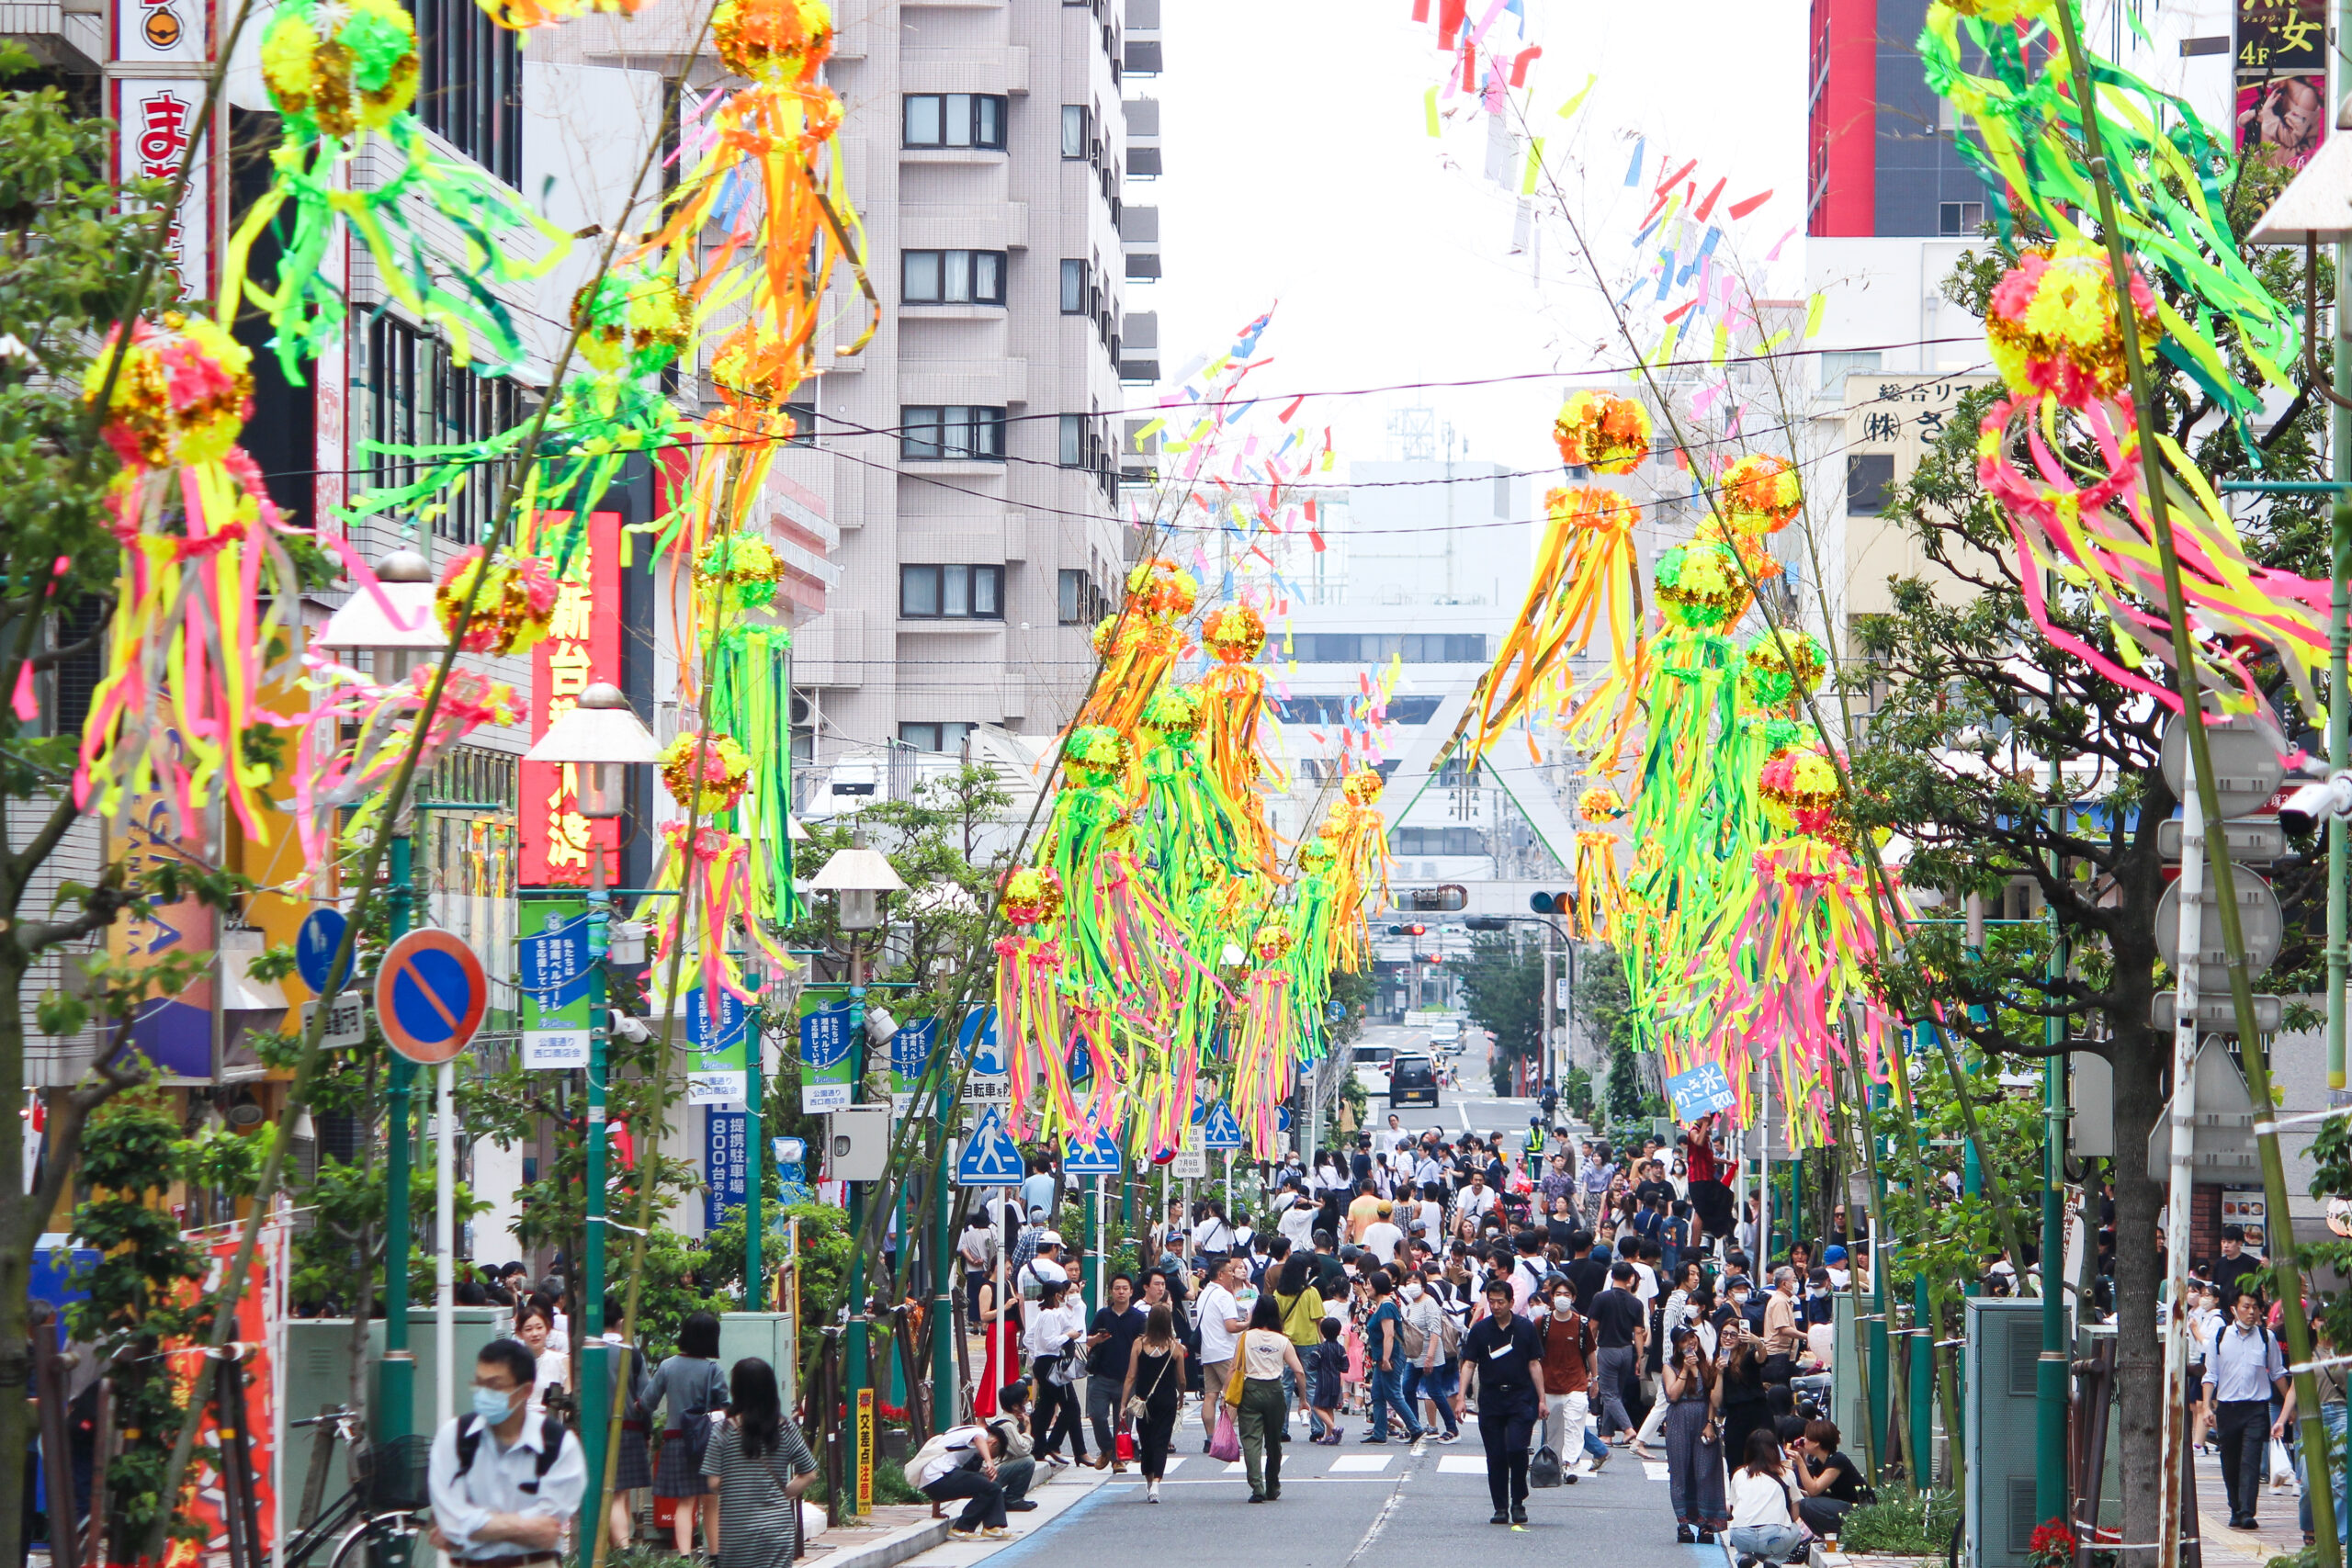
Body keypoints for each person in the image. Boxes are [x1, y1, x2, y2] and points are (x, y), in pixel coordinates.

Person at [427, 1339, 584, 1567]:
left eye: (495, 1386)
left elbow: (548, 1528)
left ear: (526, 1390)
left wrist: (470, 1526)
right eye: (479, 1384)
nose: (484, 1394)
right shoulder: (453, 1437)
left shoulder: (558, 1444)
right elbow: (450, 1522)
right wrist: (526, 1527)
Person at [699, 1356, 817, 1568]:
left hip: (738, 1530)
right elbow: (809, 1473)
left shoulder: (723, 1431)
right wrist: (784, 1493)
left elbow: (713, 1483)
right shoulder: (786, 1428)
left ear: (736, 1390)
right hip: (778, 1529)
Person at [1460, 1275, 1548, 1526]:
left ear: (1511, 1302)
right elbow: (1469, 1364)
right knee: (1495, 1454)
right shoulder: (1480, 1330)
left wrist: (1542, 1399)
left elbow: (1534, 1363)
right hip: (1490, 1397)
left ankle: (1518, 1500)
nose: (1496, 1306)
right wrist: (1460, 1398)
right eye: (1492, 1302)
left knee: (1517, 1449)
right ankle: (1500, 1506)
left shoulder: (1525, 1328)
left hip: (1521, 1396)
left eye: (1501, 1302)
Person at [2204, 1289, 2293, 1529]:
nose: (2251, 1312)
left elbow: (2277, 1373)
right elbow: (2210, 1374)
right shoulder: (2220, 1336)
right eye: (2246, 1306)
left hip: (2256, 1409)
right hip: (2227, 1408)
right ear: (2234, 1309)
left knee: (2251, 1460)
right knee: (2230, 1461)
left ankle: (2247, 1511)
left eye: (2255, 1307)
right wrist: (2206, 1408)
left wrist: (2289, 1404)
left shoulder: (2266, 1338)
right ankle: (2235, 1506)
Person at [643, 1310, 729, 1554]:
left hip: (675, 1441)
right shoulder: (713, 1370)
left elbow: (648, 1401)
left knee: (684, 1502)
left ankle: (683, 1556)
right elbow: (726, 1406)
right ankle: (714, 1555)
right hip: (707, 1443)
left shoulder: (668, 1366)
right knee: (711, 1502)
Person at [1233, 1294, 1307, 1503]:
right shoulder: (1282, 1340)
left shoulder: (1246, 1338)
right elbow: (1299, 1372)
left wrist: (1225, 1395)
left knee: (1251, 1440)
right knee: (1273, 1442)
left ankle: (1257, 1486)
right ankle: (1273, 1484)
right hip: (1275, 1390)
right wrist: (1302, 1400)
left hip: (1250, 1389)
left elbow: (1234, 1367)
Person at [1660, 1326, 1727, 1542]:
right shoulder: (1670, 1367)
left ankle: (1706, 1523)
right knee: (1680, 1471)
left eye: (1692, 1337)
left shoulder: (1706, 1364)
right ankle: (1683, 1523)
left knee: (1704, 1470)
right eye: (1684, 1340)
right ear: (1677, 1346)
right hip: (1679, 1418)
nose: (1690, 1343)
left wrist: (1710, 1423)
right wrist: (1686, 1371)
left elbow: (1711, 1397)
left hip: (1702, 1418)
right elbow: (1672, 1395)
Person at [1121, 1302, 1187, 1501]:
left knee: (1146, 1441)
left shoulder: (1139, 1344)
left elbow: (1131, 1376)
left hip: (1143, 1401)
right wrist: (1181, 1397)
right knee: (1161, 1441)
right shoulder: (1176, 1347)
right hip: (1166, 1400)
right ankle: (1156, 1483)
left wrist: (1123, 1404)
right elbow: (1182, 1379)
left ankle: (1149, 1481)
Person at [1023, 1276, 1091, 1468]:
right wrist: (1067, 1336)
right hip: (1053, 1364)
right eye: (1064, 1294)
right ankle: (1056, 1445)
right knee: (1071, 1406)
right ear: (1057, 1295)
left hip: (1044, 1364)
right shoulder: (1051, 1315)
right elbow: (1050, 1341)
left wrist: (1038, 1354)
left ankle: (1039, 1447)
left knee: (1046, 1407)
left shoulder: (1044, 1314)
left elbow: (1029, 1339)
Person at [1084, 1272, 1145, 1471]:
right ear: (1111, 1292)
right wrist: (1097, 1340)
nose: (1121, 1292)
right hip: (1101, 1375)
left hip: (1127, 1378)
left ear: (1131, 1292)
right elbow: (1088, 1340)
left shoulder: (1138, 1317)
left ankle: (1118, 1458)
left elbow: (1145, 1344)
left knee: (1124, 1421)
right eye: (1117, 1288)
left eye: (1125, 1289)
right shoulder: (1103, 1314)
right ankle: (1107, 1450)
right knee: (1097, 1416)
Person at [1536, 1276, 1594, 1479]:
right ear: (1551, 1297)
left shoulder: (1582, 1324)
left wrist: (1594, 1379)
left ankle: (1571, 1463)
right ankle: (1557, 1463)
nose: (1562, 1298)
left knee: (1574, 1423)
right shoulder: (1541, 1322)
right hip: (1550, 1384)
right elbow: (1534, 1356)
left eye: (1566, 1295)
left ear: (1573, 1298)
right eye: (1558, 1294)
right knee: (1553, 1430)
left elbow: (1590, 1352)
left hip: (1576, 1382)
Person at [912, 1424, 1012, 1540]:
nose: (984, 1455)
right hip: (940, 1479)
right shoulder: (981, 1433)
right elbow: (978, 1438)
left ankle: (992, 1526)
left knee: (991, 1482)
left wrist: (936, 1512)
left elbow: (939, 1468)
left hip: (933, 1484)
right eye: (992, 1454)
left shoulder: (958, 1432)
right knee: (990, 1486)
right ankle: (961, 1529)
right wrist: (989, 1461)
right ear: (993, 1442)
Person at [1726, 1427, 1808, 1568]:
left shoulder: (1739, 1474)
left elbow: (1733, 1509)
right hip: (1773, 1537)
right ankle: (1774, 1561)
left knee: (1742, 1536)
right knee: (1797, 1530)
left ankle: (1743, 1556)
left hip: (1741, 1535)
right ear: (1775, 1451)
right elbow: (1795, 1516)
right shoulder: (1787, 1474)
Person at [1362, 1269, 1425, 1443]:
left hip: (1390, 1356)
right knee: (1377, 1393)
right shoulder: (1382, 1305)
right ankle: (1379, 1432)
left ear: (1378, 1286)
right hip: (1382, 1356)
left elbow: (1389, 1335)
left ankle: (1415, 1428)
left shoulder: (1387, 1306)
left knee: (1392, 1393)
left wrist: (1386, 1359)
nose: (1366, 1287)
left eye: (1369, 1284)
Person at [1400, 1270, 1460, 1441]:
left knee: (1434, 1391)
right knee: (1408, 1388)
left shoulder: (1429, 1303)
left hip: (1431, 1354)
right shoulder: (1411, 1305)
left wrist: (1430, 1357)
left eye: (1415, 1281)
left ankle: (1452, 1428)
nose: (1411, 1285)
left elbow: (1435, 1330)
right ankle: (1414, 1426)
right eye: (1408, 1282)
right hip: (1414, 1356)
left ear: (1423, 1284)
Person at [1589, 1260, 1645, 1439]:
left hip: (1608, 1349)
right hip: (1627, 1350)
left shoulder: (1601, 1298)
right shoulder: (1636, 1303)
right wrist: (1640, 1357)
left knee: (1609, 1393)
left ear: (1612, 1276)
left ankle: (1628, 1429)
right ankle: (1606, 1434)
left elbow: (1592, 1327)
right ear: (1631, 1278)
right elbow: (1638, 1332)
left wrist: (1588, 1350)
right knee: (1616, 1393)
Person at [1196, 1255, 1249, 1447]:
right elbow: (1231, 1326)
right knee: (1235, 1394)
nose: (1232, 1276)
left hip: (1207, 1351)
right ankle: (1223, 1436)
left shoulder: (1205, 1293)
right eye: (1229, 1272)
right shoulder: (1224, 1295)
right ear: (1220, 1275)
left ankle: (1210, 1437)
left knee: (1210, 1395)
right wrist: (1249, 1322)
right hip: (1225, 1351)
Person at [1792, 1419, 1864, 1539]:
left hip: (1859, 1508)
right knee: (1803, 1504)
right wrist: (1796, 1491)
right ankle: (1829, 1537)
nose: (1803, 1441)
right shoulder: (1818, 1463)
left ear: (1816, 1443)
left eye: (1806, 1438)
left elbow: (1814, 1490)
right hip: (1841, 1507)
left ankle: (1843, 1537)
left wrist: (1800, 1463)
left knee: (1808, 1504)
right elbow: (1814, 1494)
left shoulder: (1837, 1460)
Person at [980, 1380, 1042, 1511]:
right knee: (1028, 1461)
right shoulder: (1007, 1425)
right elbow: (1023, 1450)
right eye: (1025, 1401)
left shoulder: (1004, 1421)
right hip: (990, 1473)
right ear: (1015, 1406)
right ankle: (1013, 1498)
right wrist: (1028, 1428)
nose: (1027, 1404)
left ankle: (1006, 1497)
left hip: (989, 1471)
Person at [973, 1265, 1019, 1419]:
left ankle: (1010, 1405)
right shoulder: (987, 1288)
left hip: (1010, 1331)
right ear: (996, 1267)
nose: (1009, 1272)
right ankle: (987, 1407)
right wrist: (1004, 1308)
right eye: (1007, 1269)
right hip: (997, 1331)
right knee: (994, 1368)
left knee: (1010, 1367)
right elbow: (984, 1315)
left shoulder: (1007, 1284)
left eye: (1010, 1269)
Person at [512, 1301, 566, 1416]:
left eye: (539, 1327)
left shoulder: (561, 1360)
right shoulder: (511, 1365)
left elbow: (567, 1401)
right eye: (528, 1329)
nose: (535, 1333)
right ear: (519, 1333)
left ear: (547, 1329)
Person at [1309, 1316, 1347, 1446]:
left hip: (1323, 1381)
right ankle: (1328, 1435)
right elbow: (1345, 1367)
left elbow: (1312, 1365)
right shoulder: (1341, 1349)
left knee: (1318, 1407)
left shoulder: (1320, 1348)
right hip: (1336, 1381)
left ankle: (1334, 1428)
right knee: (1329, 1408)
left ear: (1322, 1331)